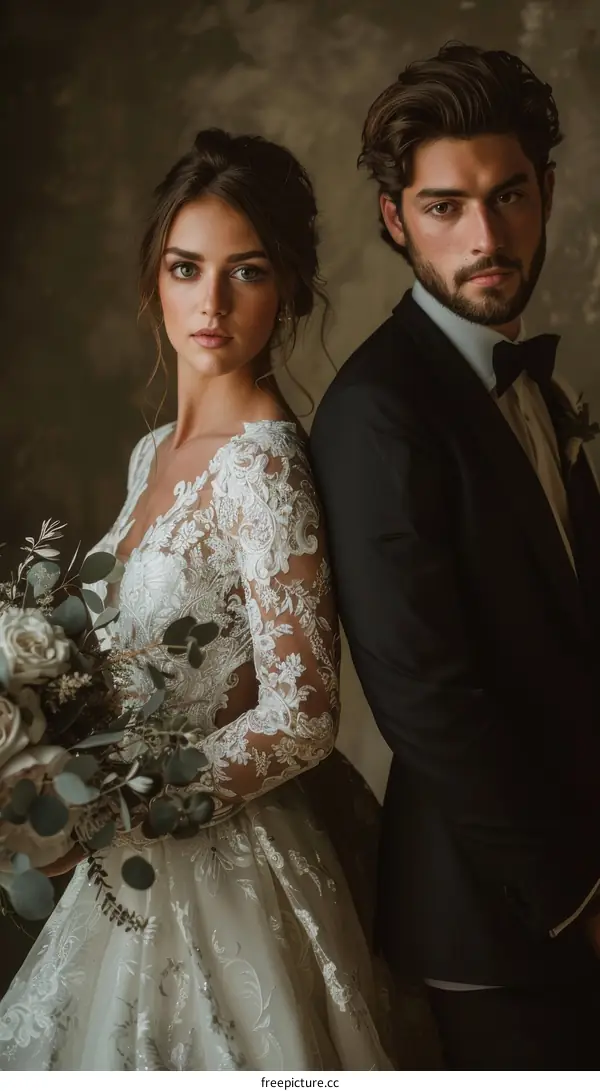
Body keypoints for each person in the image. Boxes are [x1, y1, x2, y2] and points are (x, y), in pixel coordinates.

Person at [0, 128, 390, 1072]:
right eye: (187, 267)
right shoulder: (151, 455)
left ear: (287, 288)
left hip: (218, 870)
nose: (210, 302)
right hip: (126, 869)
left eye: (246, 272)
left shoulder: (264, 462)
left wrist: (126, 806)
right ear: (154, 279)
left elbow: (302, 715)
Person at [310, 43, 600, 1069]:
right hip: (506, 923)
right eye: (444, 207)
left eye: (509, 195)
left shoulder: (527, 384)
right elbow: (425, 691)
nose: (486, 235)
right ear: (395, 219)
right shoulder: (380, 413)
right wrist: (577, 894)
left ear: (546, 190)